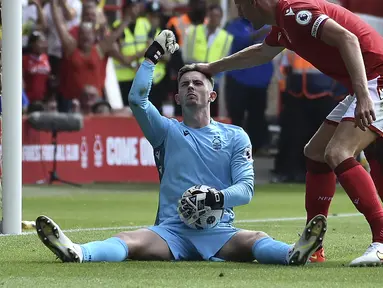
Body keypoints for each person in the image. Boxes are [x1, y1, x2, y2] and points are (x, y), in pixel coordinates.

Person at [34, 30, 326, 266]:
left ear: (211, 94)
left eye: (197, 83)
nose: (190, 87)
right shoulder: (166, 131)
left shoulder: (236, 136)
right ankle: (78, 252)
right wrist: (151, 58)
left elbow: (246, 189)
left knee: (255, 239)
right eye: (184, 84)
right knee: (129, 239)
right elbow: (137, 100)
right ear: (176, 97)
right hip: (171, 231)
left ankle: (292, 253)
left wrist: (216, 198)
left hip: (219, 231)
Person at [194, 0, 383, 266]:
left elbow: (348, 39)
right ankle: (313, 244)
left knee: (338, 151)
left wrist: (363, 94)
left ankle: (382, 239)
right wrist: (213, 68)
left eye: (240, 5)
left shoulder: (295, 13)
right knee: (316, 153)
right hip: (367, 82)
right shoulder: (284, 23)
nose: (239, 12)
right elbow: (261, 52)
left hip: (377, 79)